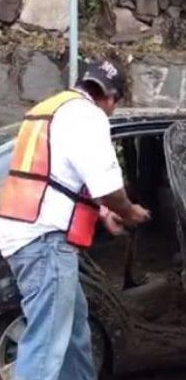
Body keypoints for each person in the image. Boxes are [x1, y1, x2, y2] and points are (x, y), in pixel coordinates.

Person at [0, 60, 151, 380]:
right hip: (45, 243)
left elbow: (55, 175)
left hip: (23, 234)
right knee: (46, 346)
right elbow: (108, 186)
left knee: (73, 332)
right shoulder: (89, 116)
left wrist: (102, 210)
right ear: (111, 97)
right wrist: (128, 211)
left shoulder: (49, 109)